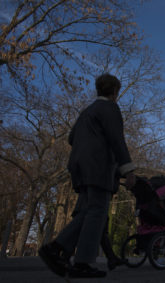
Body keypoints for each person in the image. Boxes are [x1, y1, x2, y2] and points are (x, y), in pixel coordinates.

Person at [38, 74, 136, 278]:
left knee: (89, 210)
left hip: (78, 166)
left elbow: (72, 138)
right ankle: (80, 260)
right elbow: (117, 139)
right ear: (115, 92)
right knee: (98, 211)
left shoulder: (87, 111)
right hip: (97, 166)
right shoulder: (110, 108)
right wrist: (128, 169)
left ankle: (57, 249)